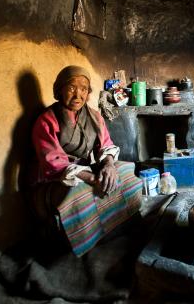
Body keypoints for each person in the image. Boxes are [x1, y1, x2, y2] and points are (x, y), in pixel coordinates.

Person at [29, 65, 142, 257]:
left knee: (123, 170)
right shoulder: (46, 121)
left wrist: (108, 165)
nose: (78, 95)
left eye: (83, 89)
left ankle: (117, 223)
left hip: (82, 169)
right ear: (59, 89)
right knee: (80, 191)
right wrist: (91, 178)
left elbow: (106, 145)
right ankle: (84, 241)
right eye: (72, 88)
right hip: (55, 178)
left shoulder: (94, 116)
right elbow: (53, 162)